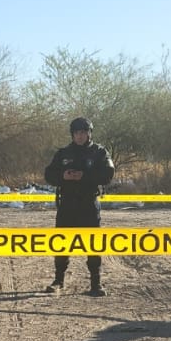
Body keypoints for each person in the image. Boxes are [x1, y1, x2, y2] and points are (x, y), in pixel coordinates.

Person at [42, 116, 116, 296]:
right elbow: (48, 174)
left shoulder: (99, 152)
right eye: (77, 133)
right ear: (72, 134)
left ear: (89, 133)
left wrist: (84, 176)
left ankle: (96, 284)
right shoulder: (63, 153)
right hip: (67, 204)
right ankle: (58, 281)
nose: (80, 136)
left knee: (92, 243)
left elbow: (108, 174)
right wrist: (63, 176)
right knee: (62, 242)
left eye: (84, 132)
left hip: (89, 204)